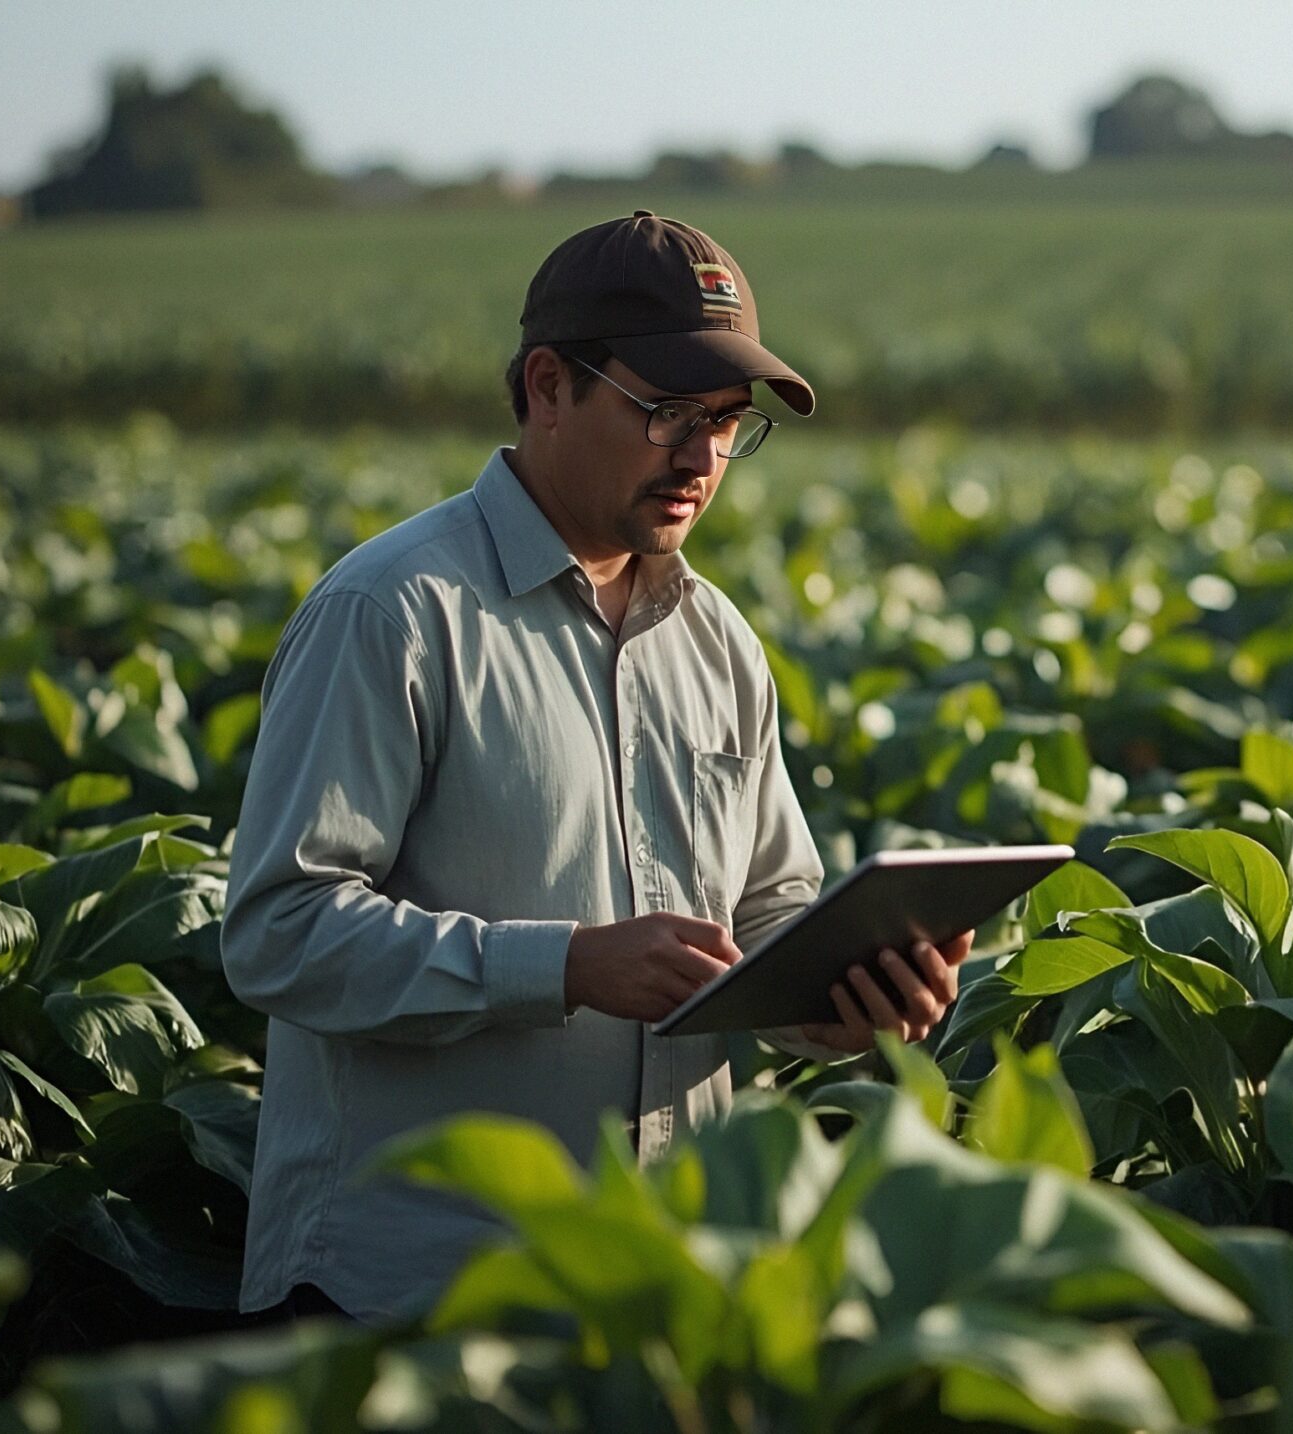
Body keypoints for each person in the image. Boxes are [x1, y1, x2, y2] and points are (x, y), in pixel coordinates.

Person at [220, 212, 967, 1323]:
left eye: (725, 423)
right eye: (667, 412)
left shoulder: (719, 643)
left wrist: (832, 1002)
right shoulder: (395, 613)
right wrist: (559, 966)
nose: (703, 458)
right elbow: (279, 932)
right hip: (407, 1300)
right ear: (546, 387)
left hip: (658, 1294)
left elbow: (767, 912)